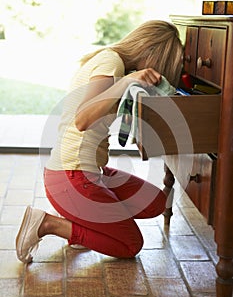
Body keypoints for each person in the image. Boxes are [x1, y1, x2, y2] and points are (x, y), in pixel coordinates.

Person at [16, 20, 183, 263]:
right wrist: (127, 81)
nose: (162, 73)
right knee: (130, 244)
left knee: (156, 202)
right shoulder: (111, 62)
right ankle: (49, 224)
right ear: (151, 52)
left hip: (85, 172)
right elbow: (83, 118)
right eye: (163, 65)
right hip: (72, 176)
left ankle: (82, 217)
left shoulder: (112, 63)